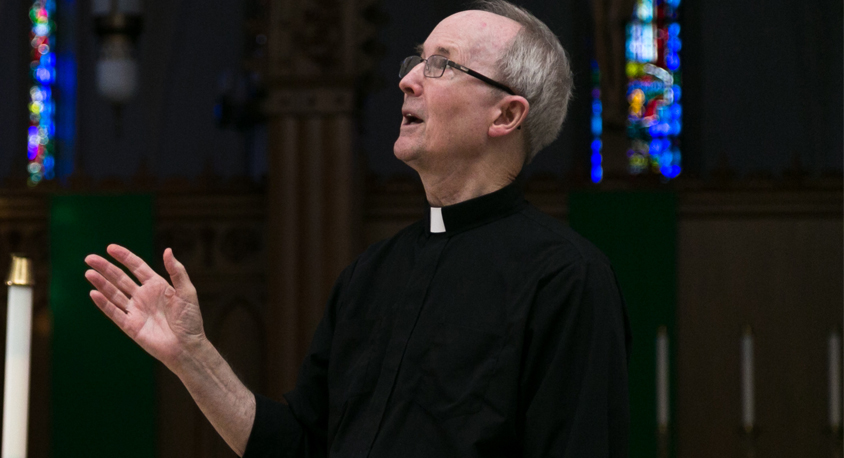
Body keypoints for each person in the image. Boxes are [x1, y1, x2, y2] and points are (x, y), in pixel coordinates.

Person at [83, 1, 631, 456]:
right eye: (416, 59)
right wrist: (193, 356)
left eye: (442, 65)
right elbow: (297, 447)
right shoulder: (371, 274)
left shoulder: (567, 278)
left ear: (506, 116)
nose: (409, 79)